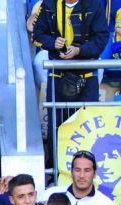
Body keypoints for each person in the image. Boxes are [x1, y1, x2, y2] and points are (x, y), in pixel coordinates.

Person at [32, 0, 108, 129]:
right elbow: (37, 34)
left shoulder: (94, 4)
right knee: (57, 128)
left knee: (87, 127)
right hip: (57, 76)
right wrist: (53, 43)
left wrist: (80, 50)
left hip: (87, 75)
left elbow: (101, 38)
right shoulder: (49, 4)